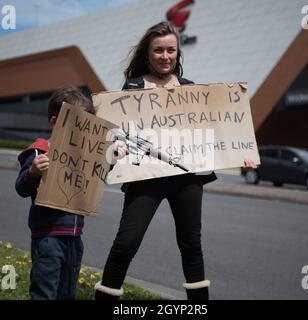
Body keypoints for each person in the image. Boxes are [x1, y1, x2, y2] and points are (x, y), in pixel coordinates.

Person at [94, 21, 257, 300]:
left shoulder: (190, 89)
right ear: (147, 54)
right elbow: (120, 131)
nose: (165, 56)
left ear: (178, 53)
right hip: (145, 178)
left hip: (187, 179)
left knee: (191, 244)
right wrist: (118, 148)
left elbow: (215, 130)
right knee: (126, 243)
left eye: (171, 50)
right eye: (158, 50)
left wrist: (240, 152)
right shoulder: (132, 87)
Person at [15, 86, 95, 300]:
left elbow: (95, 176)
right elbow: (21, 188)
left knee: (67, 294)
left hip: (75, 238)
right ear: (54, 122)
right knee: (44, 292)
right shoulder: (39, 151)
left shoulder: (83, 153)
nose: (80, 129)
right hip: (48, 237)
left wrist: (111, 159)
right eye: (75, 122)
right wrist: (33, 172)